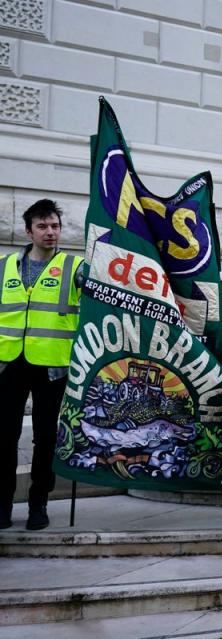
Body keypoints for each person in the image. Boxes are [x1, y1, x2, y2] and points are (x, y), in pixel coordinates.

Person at [0, 199, 83, 531]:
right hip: (9, 365)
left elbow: (104, 293)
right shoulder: (4, 267)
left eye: (55, 226)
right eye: (43, 226)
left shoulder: (75, 268)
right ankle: (3, 505)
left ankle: (39, 504)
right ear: (29, 230)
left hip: (53, 367)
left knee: (46, 438)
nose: (50, 232)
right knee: (4, 437)